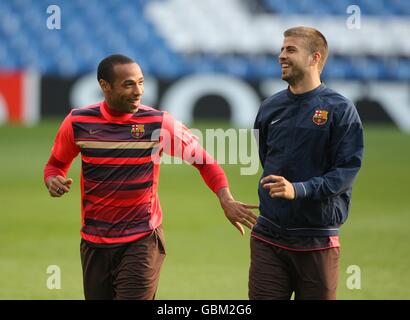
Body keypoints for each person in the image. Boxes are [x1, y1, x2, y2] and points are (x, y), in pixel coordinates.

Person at [44, 54, 258, 300]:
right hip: (94, 242)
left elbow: (203, 160)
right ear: (105, 86)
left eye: (141, 82)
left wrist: (226, 198)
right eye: (129, 84)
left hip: (141, 240)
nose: (139, 91)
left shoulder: (158, 123)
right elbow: (55, 164)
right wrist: (53, 179)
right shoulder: (77, 122)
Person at [249, 27, 364, 300]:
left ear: (314, 58)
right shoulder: (270, 107)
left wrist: (299, 189)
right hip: (268, 235)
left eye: (290, 49)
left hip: (316, 239)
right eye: (281, 49)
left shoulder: (340, 109)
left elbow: (346, 171)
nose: (281, 56)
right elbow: (267, 157)